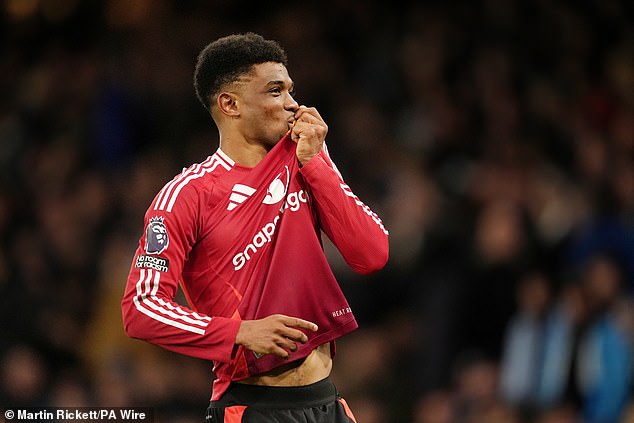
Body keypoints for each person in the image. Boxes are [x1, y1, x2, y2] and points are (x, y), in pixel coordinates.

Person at [121, 32, 389, 422]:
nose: (293, 104)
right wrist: (239, 333)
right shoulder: (187, 194)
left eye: (291, 90)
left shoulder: (305, 160)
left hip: (328, 404)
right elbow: (141, 308)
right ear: (230, 104)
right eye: (276, 91)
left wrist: (317, 163)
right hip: (253, 408)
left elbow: (372, 255)